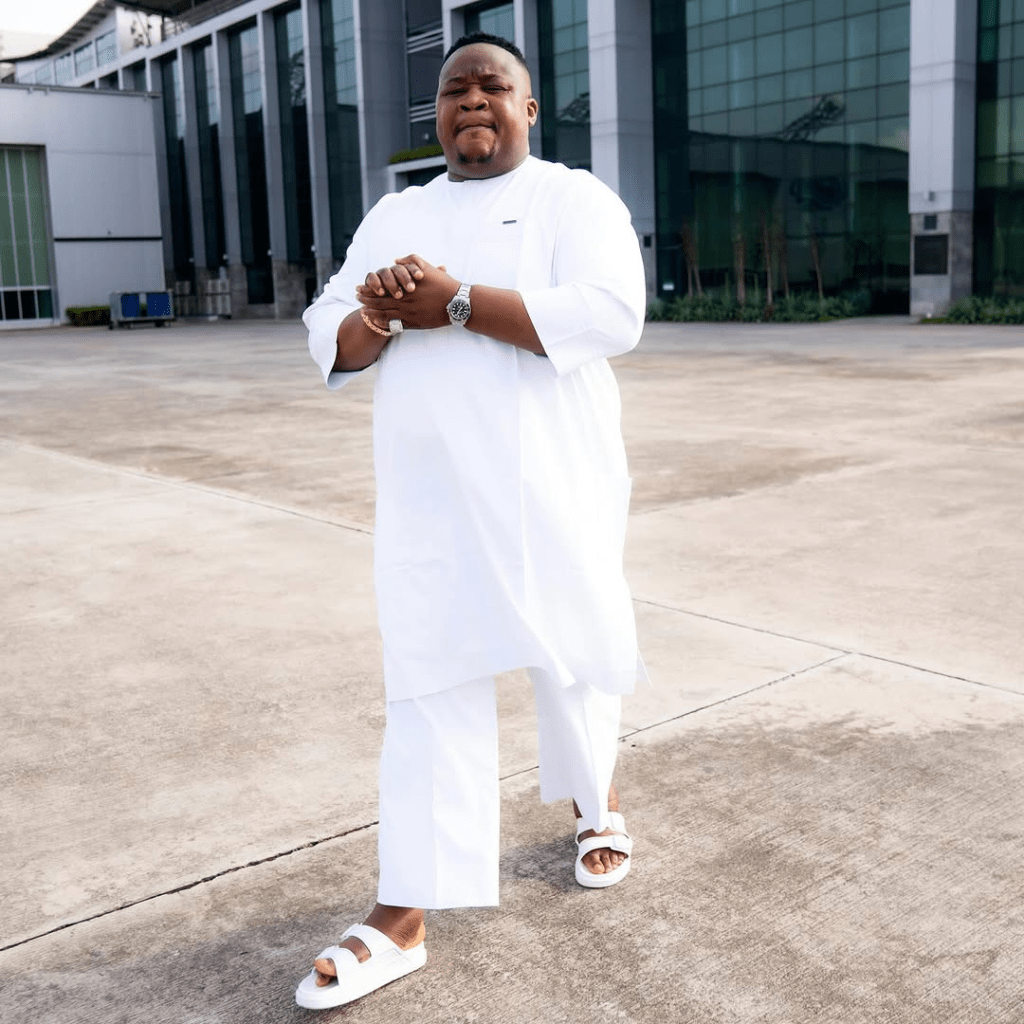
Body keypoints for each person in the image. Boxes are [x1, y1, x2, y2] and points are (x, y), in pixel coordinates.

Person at [296, 31, 648, 1011]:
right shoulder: (397, 213)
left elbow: (613, 312)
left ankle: (597, 804)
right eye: (455, 89)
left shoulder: (573, 198)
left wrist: (453, 304)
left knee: (572, 656)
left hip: (553, 486)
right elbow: (329, 328)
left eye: (494, 85)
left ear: (528, 109)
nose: (472, 100)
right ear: (438, 114)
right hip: (431, 498)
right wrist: (377, 315)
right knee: (426, 682)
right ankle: (403, 913)